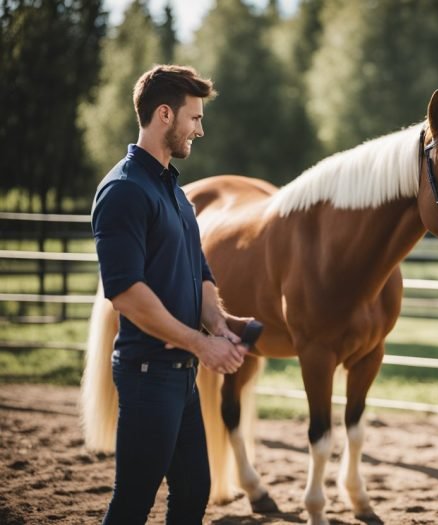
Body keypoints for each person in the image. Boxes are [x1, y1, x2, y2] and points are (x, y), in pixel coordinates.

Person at [91, 64, 250, 524]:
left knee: (193, 492)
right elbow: (126, 294)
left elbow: (199, 271)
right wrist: (202, 344)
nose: (200, 129)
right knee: (133, 502)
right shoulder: (123, 191)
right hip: (146, 375)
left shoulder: (175, 192)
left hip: (180, 376)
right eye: (195, 118)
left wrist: (219, 325)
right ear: (165, 114)